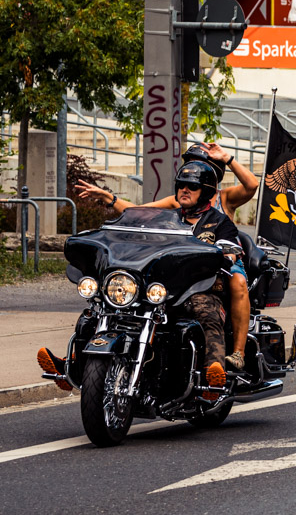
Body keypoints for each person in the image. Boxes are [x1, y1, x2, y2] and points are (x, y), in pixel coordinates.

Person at [75, 160, 243, 393]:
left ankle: (214, 369)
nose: (185, 190)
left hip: (198, 289)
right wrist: (108, 200)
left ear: (205, 192)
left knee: (206, 310)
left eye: (192, 186)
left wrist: (225, 257)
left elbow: (231, 250)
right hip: (161, 290)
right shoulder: (166, 219)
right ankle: (73, 366)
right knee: (98, 310)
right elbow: (134, 218)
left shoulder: (220, 222)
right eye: (182, 185)